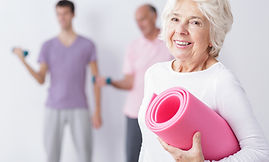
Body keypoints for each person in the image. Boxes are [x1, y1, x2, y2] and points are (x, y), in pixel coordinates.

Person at [137, 0, 269, 161]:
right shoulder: (155, 73)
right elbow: (149, 144)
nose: (180, 30)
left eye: (195, 22)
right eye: (175, 19)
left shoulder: (220, 81)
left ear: (213, 33)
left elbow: (259, 151)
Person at [12, 1, 102, 162]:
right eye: (59, 14)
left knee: (85, 156)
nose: (62, 18)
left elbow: (96, 80)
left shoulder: (87, 45)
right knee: (51, 157)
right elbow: (41, 79)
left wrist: (97, 110)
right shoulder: (47, 46)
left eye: (65, 13)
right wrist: (23, 61)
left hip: (79, 107)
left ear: (73, 14)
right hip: (53, 108)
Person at [96, 4, 173, 162]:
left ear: (154, 16)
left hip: (163, 113)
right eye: (137, 21)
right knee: (133, 158)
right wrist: (110, 81)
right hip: (135, 113)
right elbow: (129, 83)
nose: (139, 24)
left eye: (143, 19)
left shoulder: (171, 42)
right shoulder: (133, 47)